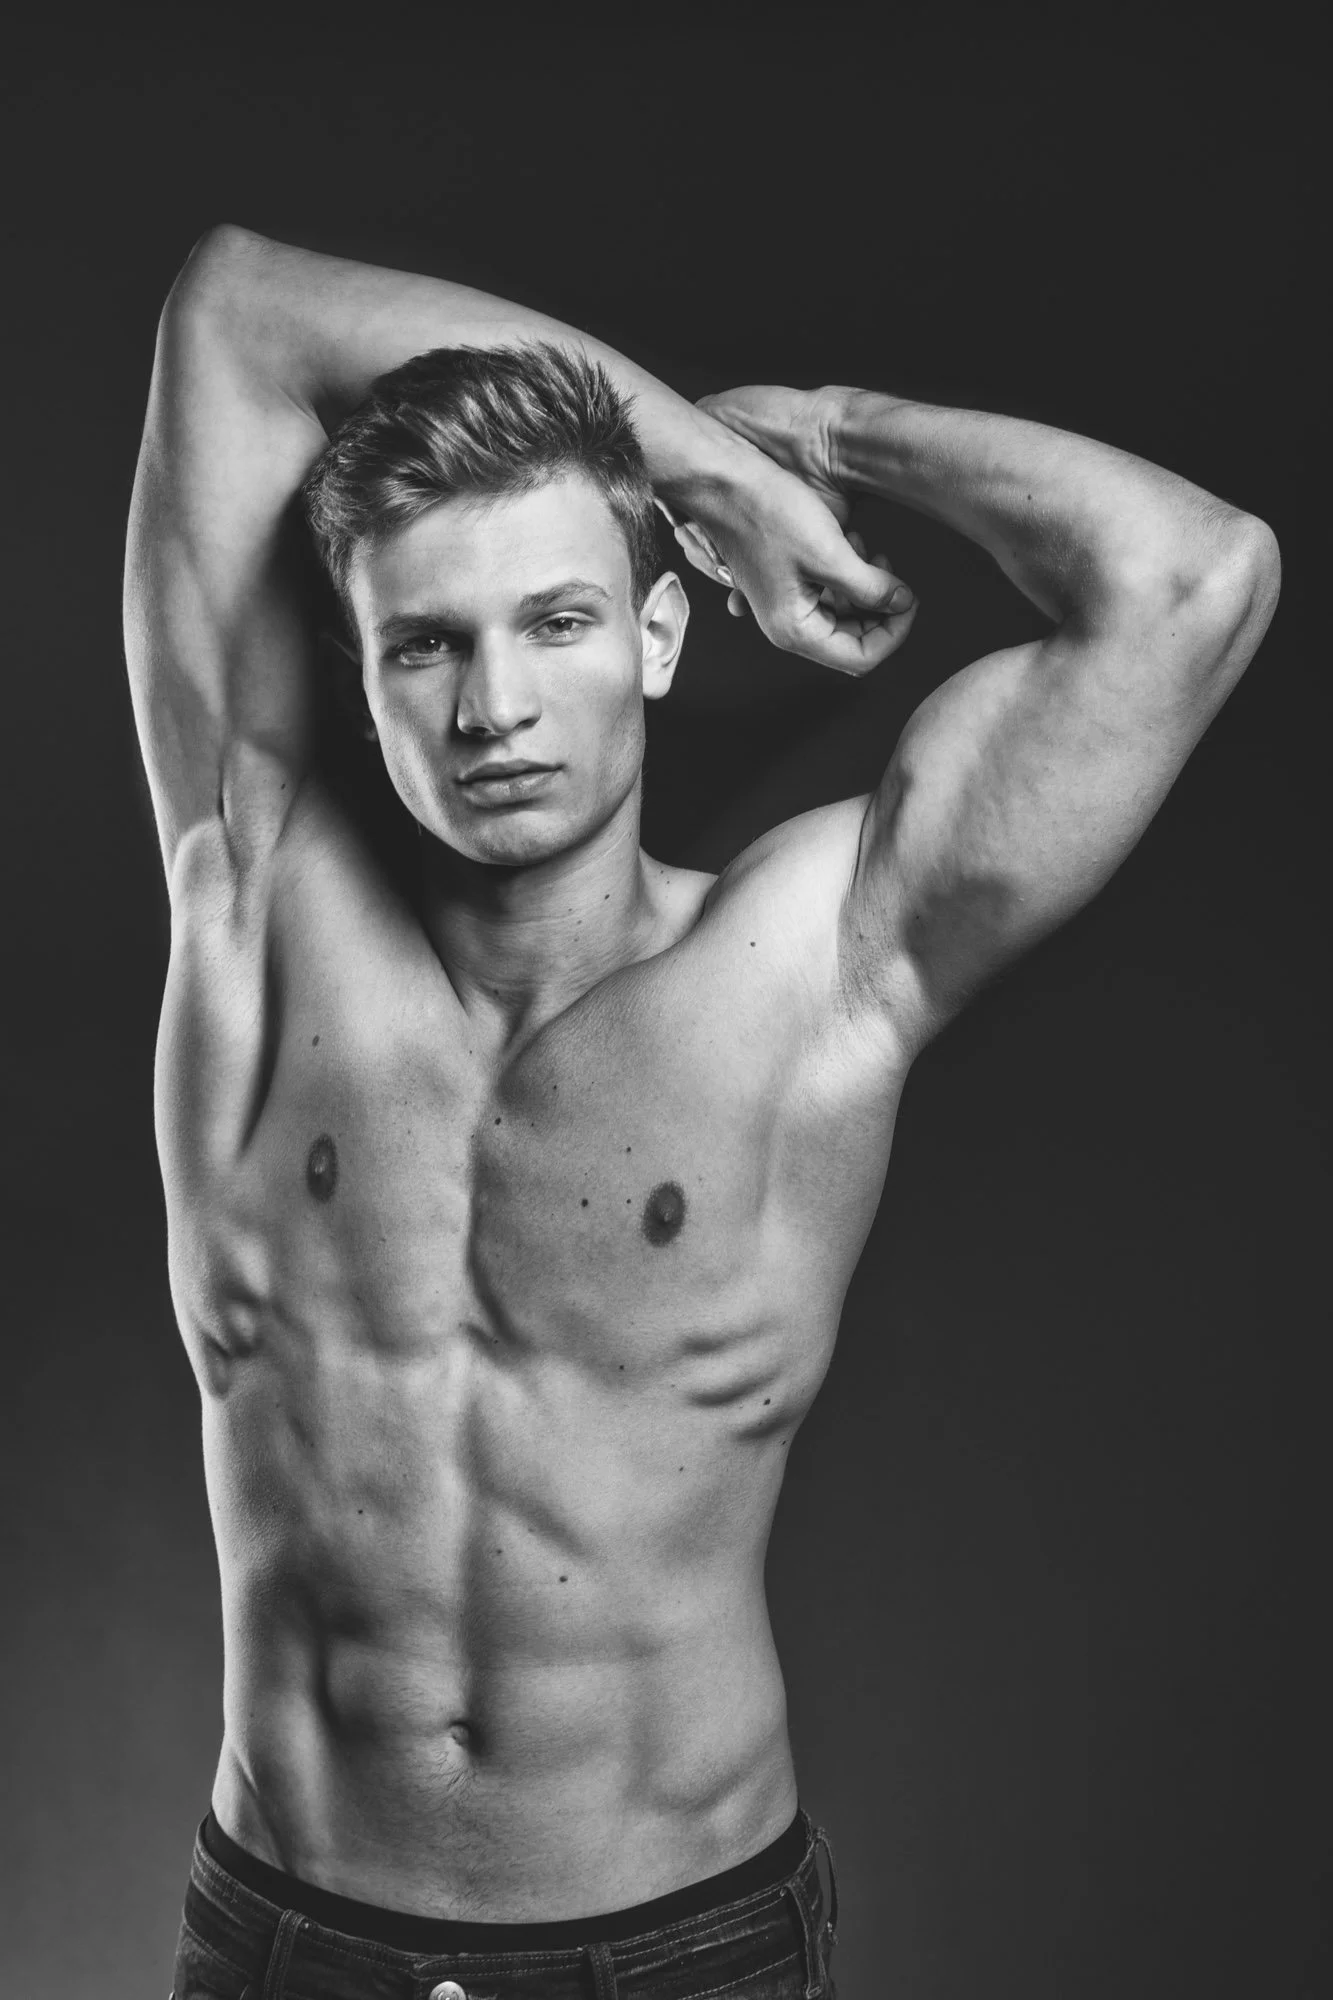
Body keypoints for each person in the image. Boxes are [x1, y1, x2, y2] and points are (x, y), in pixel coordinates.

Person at [126, 224, 1279, 2000]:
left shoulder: (813, 964)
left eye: (560, 621)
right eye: (424, 645)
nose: (494, 705)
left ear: (659, 634)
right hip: (289, 1939)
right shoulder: (253, 898)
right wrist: (685, 450)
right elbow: (234, 306)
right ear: (356, 669)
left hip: (676, 1955)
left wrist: (808, 443)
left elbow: (1192, 577)